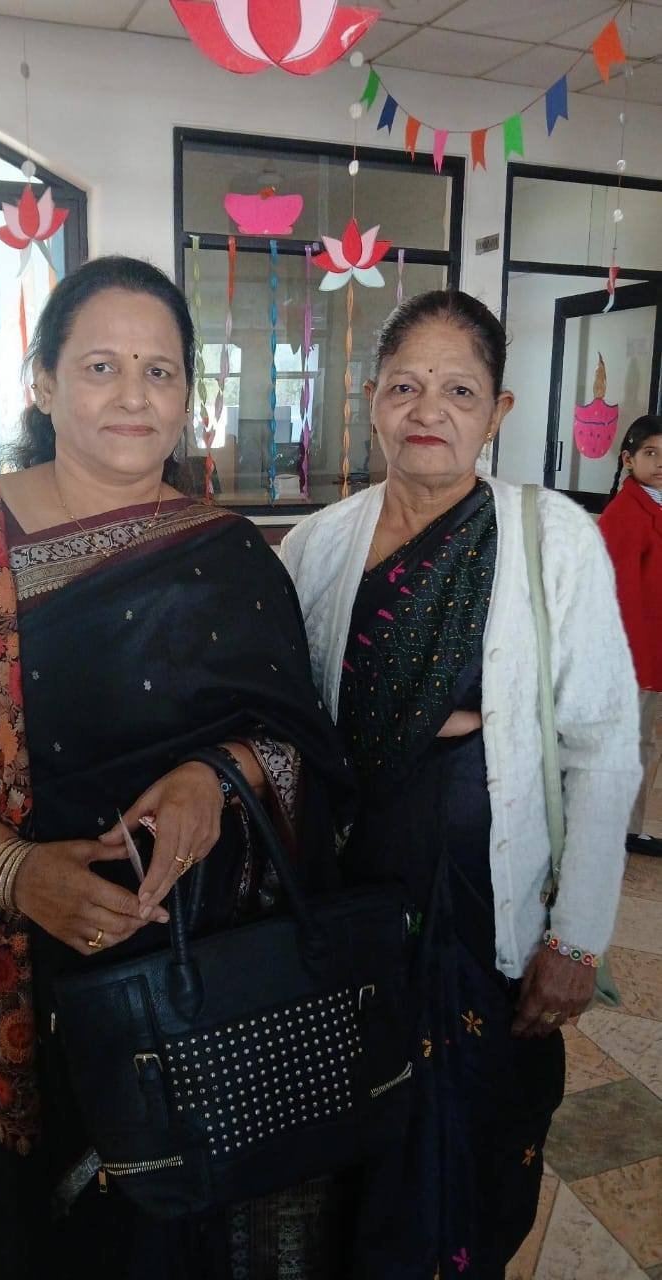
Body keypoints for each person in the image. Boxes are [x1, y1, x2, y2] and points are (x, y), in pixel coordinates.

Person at [0, 256, 352, 1280]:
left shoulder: (230, 551)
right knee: (61, 1237)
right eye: (101, 365)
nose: (134, 395)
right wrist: (14, 869)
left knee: (194, 1228)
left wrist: (218, 774)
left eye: (160, 371)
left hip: (204, 958)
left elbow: (300, 739)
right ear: (42, 381)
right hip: (22, 959)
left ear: (189, 395)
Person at [280, 289, 641, 1280]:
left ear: (497, 411)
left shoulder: (551, 536)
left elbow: (602, 743)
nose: (427, 409)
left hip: (487, 904)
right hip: (351, 897)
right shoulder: (318, 544)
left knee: (479, 1124)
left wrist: (577, 934)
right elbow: (291, 725)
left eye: (458, 390)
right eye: (404, 386)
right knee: (356, 1132)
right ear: (369, 399)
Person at [599, 416, 662, 857]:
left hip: (651, 650)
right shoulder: (626, 514)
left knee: (644, 742)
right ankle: (615, 831)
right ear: (628, 459)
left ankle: (629, 828)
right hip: (633, 656)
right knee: (630, 743)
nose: (660, 463)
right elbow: (616, 598)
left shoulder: (654, 506)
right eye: (651, 453)